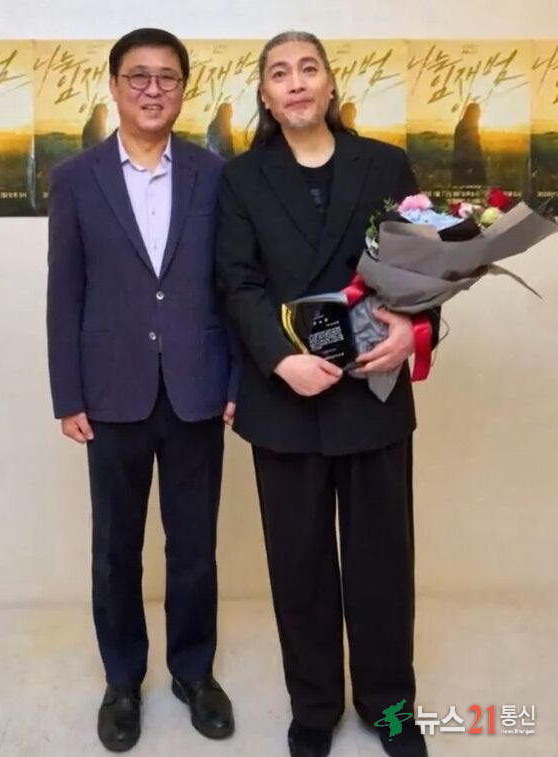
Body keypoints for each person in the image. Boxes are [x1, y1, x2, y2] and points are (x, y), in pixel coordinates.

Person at [216, 31, 438, 757]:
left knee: (383, 564)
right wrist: (283, 360)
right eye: (279, 73)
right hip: (286, 401)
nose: (296, 83)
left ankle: (390, 707)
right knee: (300, 565)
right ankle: (313, 707)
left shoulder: (386, 163)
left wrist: (414, 329)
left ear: (331, 84)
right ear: (265, 94)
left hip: (373, 392)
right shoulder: (241, 179)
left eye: (308, 68)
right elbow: (237, 284)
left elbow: (424, 266)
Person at [46, 27, 238, 753]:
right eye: (139, 76)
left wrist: (236, 380)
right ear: (115, 85)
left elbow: (234, 286)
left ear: (184, 89)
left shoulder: (215, 175)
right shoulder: (76, 178)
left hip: (197, 388)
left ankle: (194, 673)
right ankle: (122, 681)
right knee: (115, 550)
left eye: (167, 77)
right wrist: (68, 394)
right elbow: (65, 294)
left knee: (194, 548)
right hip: (111, 392)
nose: (153, 89)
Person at [451, 101, 487, 187]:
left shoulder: (468, 126)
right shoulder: (465, 127)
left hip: (470, 167)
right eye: (477, 113)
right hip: (467, 168)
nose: (479, 115)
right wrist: (468, 167)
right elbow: (464, 149)